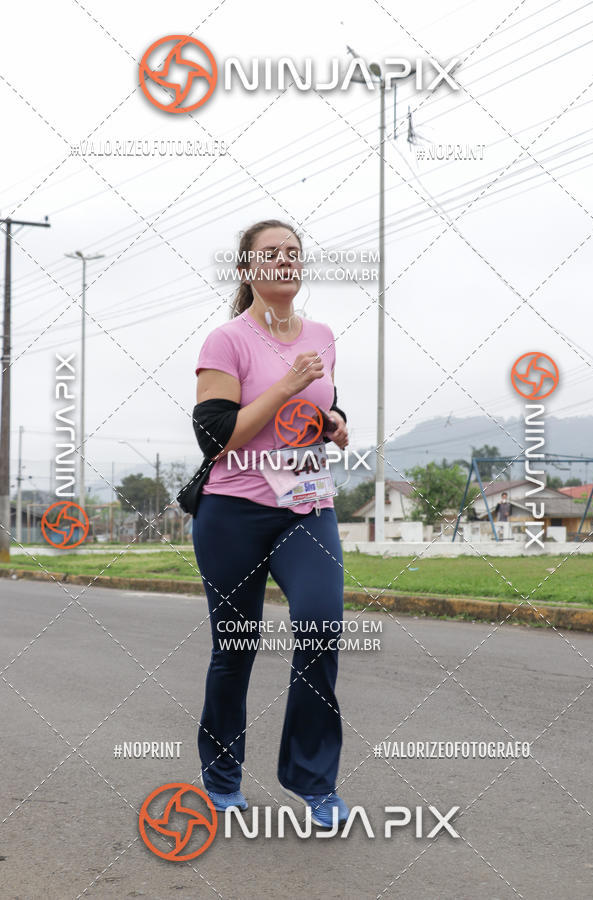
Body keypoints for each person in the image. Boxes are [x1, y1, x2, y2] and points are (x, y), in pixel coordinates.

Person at [191, 219, 350, 828]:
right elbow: (217, 437)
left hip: (306, 505)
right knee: (236, 648)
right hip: (233, 512)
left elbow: (325, 406)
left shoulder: (323, 336)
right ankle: (222, 776)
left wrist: (335, 423)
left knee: (320, 626)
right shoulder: (225, 341)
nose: (285, 261)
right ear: (247, 269)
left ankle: (312, 780)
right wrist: (288, 383)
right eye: (272, 254)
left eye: (294, 253)